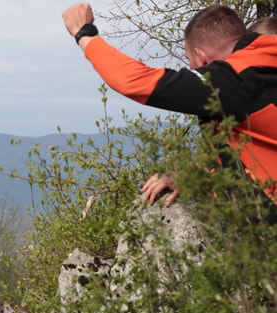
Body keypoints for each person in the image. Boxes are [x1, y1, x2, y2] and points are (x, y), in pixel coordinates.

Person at [63, 3, 277, 219]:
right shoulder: (263, 70)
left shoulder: (235, 80)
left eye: (190, 61)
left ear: (200, 56)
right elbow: (246, 151)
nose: (193, 68)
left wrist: (84, 34)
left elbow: (133, 82)